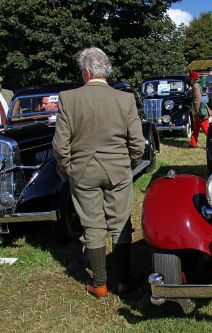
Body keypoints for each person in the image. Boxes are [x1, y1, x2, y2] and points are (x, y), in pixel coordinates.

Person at [52, 47, 145, 298]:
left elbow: (60, 145)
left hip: (82, 171)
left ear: (86, 72)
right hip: (118, 170)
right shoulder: (124, 99)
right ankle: (124, 281)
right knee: (121, 225)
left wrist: (68, 168)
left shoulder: (68, 98)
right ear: (106, 71)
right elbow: (138, 142)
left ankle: (100, 284)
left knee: (92, 226)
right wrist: (129, 165)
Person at [188, 70, 210, 148]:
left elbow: (197, 100)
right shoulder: (199, 84)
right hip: (200, 110)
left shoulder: (195, 86)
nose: (190, 80)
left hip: (200, 111)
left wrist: (198, 112)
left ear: (193, 79)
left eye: (190, 79)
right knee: (196, 128)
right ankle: (193, 143)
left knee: (206, 129)